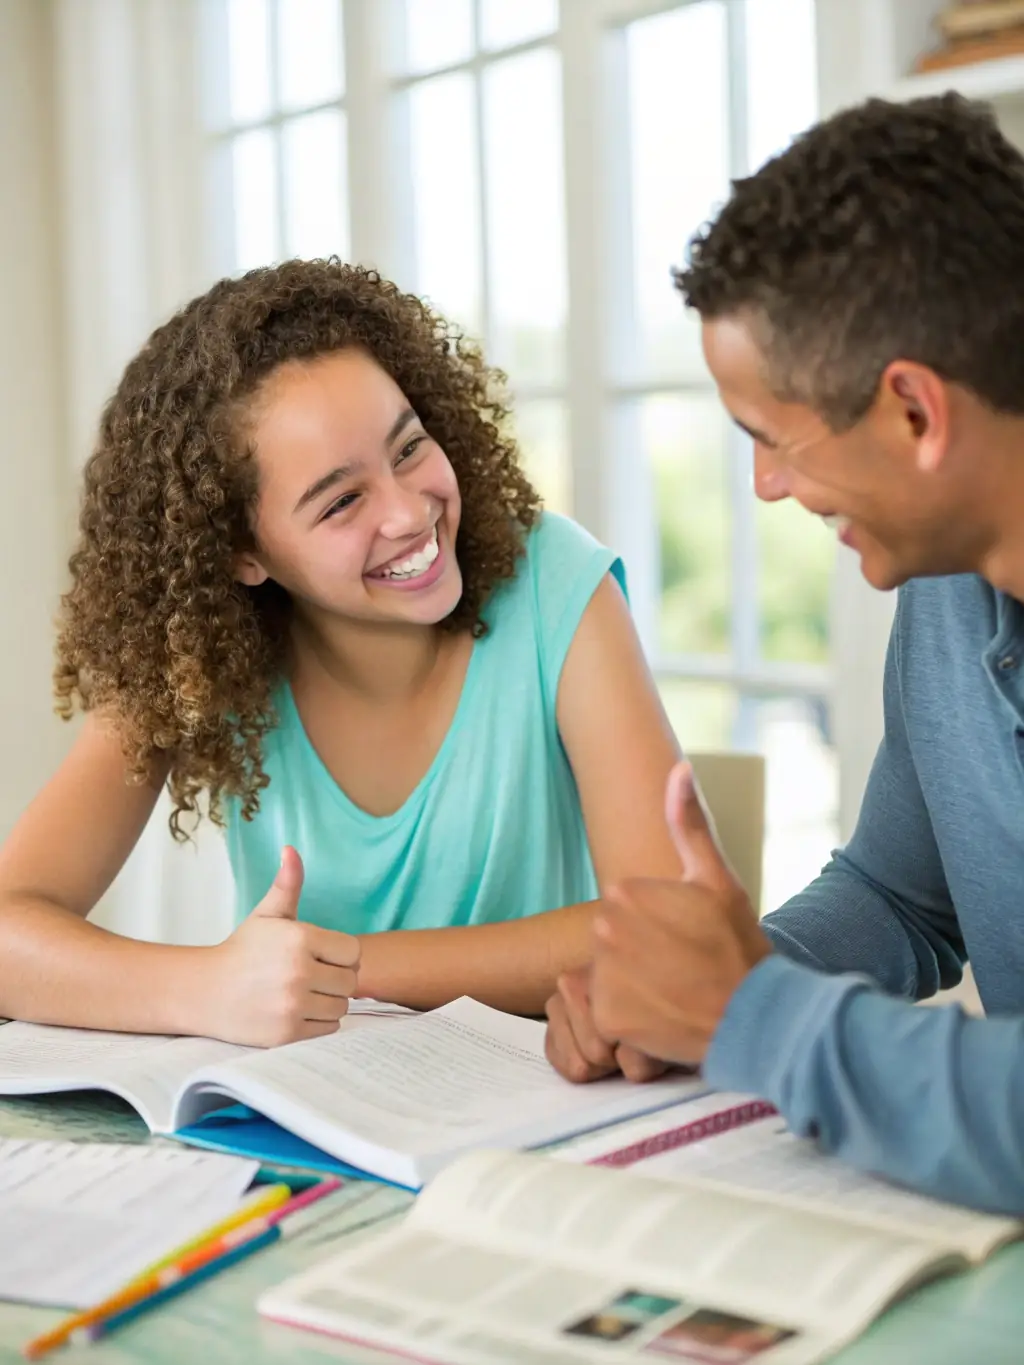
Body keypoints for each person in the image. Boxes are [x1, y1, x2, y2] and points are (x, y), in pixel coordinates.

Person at [0, 260, 684, 1046]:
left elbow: (671, 920)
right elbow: (10, 931)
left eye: (408, 448)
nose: (407, 513)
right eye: (341, 501)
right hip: (308, 1121)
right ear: (242, 552)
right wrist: (206, 987)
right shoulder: (198, 655)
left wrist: (341, 967)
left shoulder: (556, 582)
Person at [546, 93, 1024, 1215]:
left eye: (772, 438)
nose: (765, 487)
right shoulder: (953, 583)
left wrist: (747, 1017)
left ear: (913, 410)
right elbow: (902, 899)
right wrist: (691, 988)